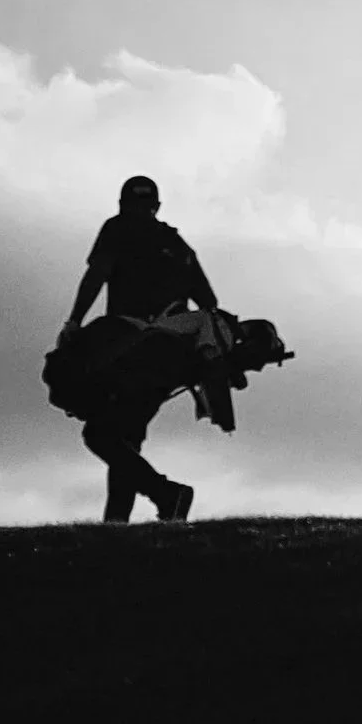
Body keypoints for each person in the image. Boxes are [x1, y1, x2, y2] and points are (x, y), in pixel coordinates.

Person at [60, 174, 221, 524]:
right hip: (173, 358)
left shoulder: (117, 228)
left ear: (121, 205)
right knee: (126, 436)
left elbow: (96, 275)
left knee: (101, 434)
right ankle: (117, 526)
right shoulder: (176, 243)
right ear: (157, 207)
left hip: (131, 350)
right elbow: (209, 301)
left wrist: (73, 322)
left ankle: (167, 495)